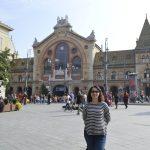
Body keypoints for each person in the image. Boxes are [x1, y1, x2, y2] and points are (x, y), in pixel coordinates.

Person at [82, 86, 111, 150]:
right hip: (89, 132)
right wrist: (88, 124)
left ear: (99, 93)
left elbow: (108, 117)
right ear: (90, 93)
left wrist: (103, 125)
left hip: (101, 133)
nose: (94, 93)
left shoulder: (104, 105)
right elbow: (84, 117)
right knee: (90, 148)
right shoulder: (87, 105)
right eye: (92, 91)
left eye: (96, 91)